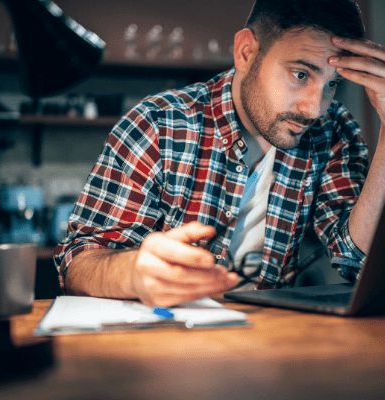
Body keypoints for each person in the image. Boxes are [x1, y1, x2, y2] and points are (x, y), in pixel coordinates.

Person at [54, 0, 385, 307]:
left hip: (275, 343)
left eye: (331, 85)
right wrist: (131, 272)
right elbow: (77, 265)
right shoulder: (159, 123)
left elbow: (354, 259)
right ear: (245, 52)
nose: (314, 109)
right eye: (301, 74)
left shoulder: (333, 131)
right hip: (165, 341)